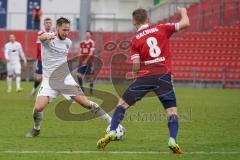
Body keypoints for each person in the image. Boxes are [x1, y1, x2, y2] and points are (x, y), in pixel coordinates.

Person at [97, 7, 190, 154]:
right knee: (171, 111)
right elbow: (185, 23)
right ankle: (172, 140)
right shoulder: (162, 28)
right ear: (147, 19)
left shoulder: (135, 39)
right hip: (163, 76)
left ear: (134, 22)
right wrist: (183, 11)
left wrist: (134, 72)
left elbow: (135, 66)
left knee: (122, 104)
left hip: (145, 77)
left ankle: (113, 130)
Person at [26, 17, 112, 137]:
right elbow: (40, 37)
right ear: (57, 28)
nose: (66, 33)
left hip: (65, 80)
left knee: (86, 104)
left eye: (68, 30)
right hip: (49, 81)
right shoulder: (48, 38)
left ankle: (112, 123)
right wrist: (47, 36)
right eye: (64, 30)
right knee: (38, 108)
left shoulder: (68, 42)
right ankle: (36, 128)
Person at [30, 18, 53, 97]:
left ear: (51, 24)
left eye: (49, 23)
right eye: (46, 23)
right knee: (39, 78)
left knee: (48, 77)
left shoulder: (53, 34)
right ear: (44, 24)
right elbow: (40, 46)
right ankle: (34, 89)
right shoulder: (41, 33)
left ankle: (45, 94)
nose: (48, 24)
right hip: (41, 59)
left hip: (50, 60)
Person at [76, 30, 95, 95]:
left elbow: (91, 53)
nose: (87, 35)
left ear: (90, 35)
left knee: (90, 77)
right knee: (78, 75)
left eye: (88, 34)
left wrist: (86, 60)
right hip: (82, 62)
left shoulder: (92, 42)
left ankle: (91, 89)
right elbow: (79, 52)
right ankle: (82, 89)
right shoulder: (82, 43)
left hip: (89, 62)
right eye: (86, 34)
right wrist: (79, 61)